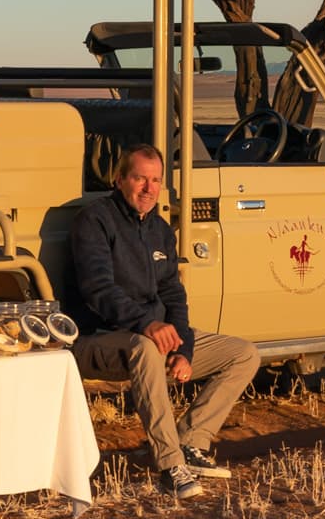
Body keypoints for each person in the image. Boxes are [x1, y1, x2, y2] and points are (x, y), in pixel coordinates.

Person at [66, 143, 261, 500]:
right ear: (120, 178)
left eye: (155, 180)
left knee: (244, 353)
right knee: (143, 346)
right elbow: (99, 290)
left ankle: (191, 442)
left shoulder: (159, 229)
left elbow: (173, 295)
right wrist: (147, 324)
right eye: (140, 178)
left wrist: (183, 348)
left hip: (152, 335)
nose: (148, 188)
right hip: (102, 339)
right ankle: (170, 465)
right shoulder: (94, 221)